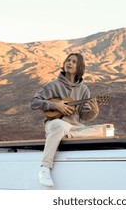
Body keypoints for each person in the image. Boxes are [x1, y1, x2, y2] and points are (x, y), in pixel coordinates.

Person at [30, 53, 100, 187]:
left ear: (79, 66)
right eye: (68, 60)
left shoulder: (84, 90)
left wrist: (94, 111)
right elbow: (33, 103)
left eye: (74, 62)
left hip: (76, 127)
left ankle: (68, 136)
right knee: (60, 125)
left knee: (105, 130)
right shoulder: (52, 85)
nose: (70, 63)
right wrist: (55, 105)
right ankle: (44, 168)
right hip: (55, 124)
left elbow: (84, 116)